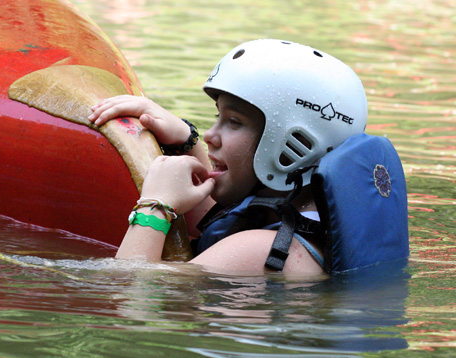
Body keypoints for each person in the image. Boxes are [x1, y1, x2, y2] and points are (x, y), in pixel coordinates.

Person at [88, 39, 368, 276]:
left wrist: (155, 206)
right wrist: (188, 140)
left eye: (233, 121)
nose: (210, 134)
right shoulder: (307, 219)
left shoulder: (259, 251)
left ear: (296, 146)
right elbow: (218, 218)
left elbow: (131, 293)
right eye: (217, 116)